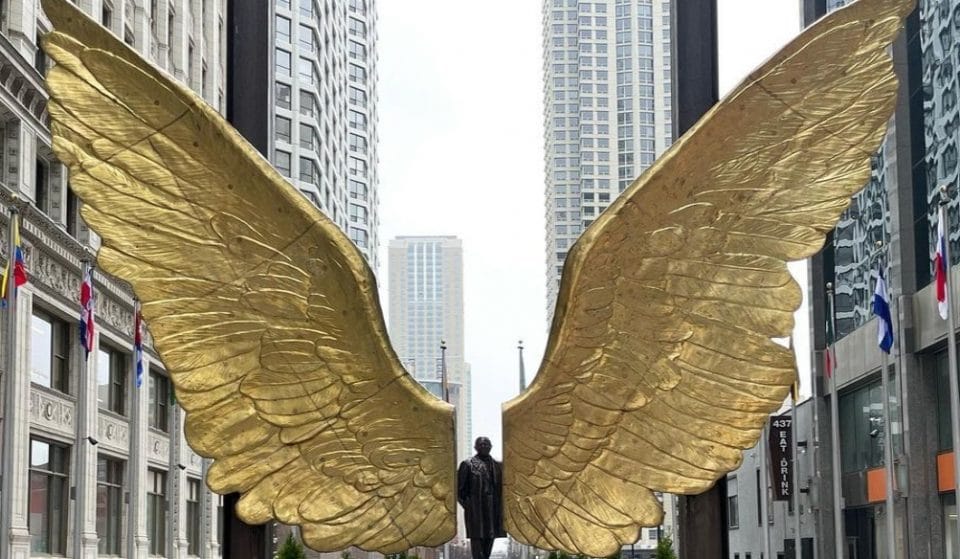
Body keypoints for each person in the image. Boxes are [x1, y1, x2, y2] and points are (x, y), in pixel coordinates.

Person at [457, 436, 505, 559]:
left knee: (489, 543)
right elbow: (460, 491)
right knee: (477, 545)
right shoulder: (467, 465)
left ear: (491, 447)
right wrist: (469, 506)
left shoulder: (498, 466)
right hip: (476, 512)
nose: (484, 447)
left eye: (487, 444)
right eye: (481, 444)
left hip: (493, 512)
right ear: (475, 447)